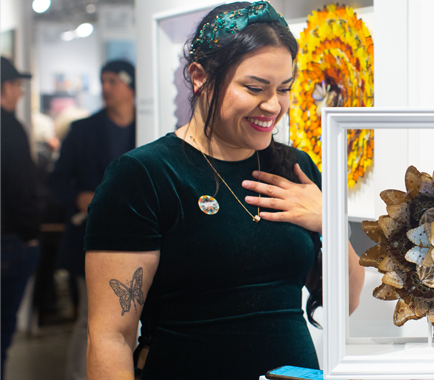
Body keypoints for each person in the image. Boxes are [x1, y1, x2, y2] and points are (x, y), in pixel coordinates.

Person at [84, 2, 365, 379]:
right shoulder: (143, 176)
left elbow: (344, 301)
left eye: (284, 89)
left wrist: (328, 220)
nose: (273, 105)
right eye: (254, 88)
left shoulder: (294, 168)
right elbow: (109, 337)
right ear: (199, 77)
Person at [46, 60, 137, 380]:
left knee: (135, 321)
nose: (106, 88)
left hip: (141, 241)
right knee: (91, 320)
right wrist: (78, 198)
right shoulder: (83, 130)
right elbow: (55, 182)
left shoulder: (148, 127)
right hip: (91, 240)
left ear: (131, 86)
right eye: (103, 81)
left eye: (113, 80)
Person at [0, 56, 41, 378]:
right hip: (8, 242)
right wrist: (31, 235)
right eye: (16, 86)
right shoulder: (10, 129)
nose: (19, 94)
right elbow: (22, 189)